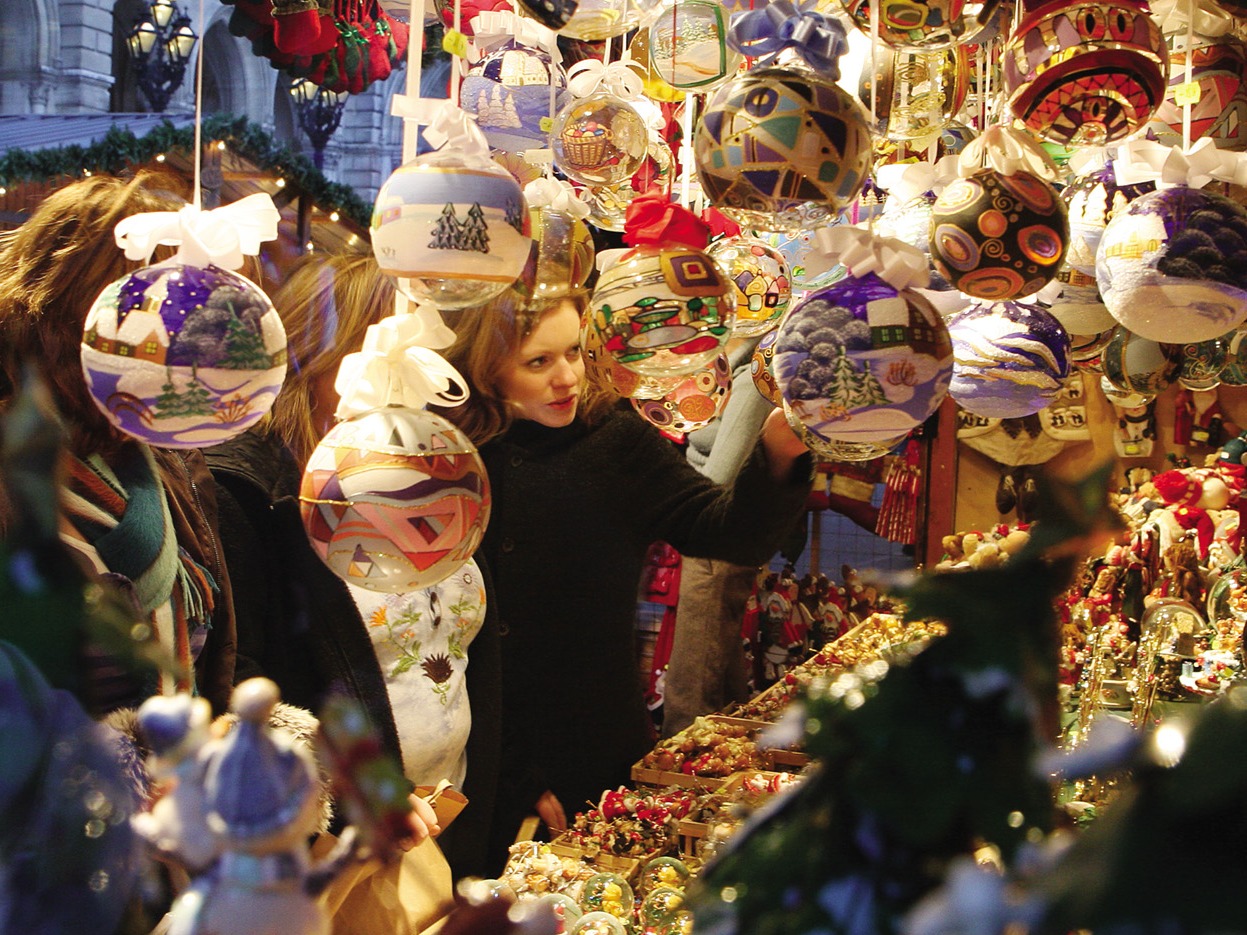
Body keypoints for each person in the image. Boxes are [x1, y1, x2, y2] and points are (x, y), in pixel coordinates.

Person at [433, 287, 813, 870]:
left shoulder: (614, 437)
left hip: (594, 740)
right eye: (539, 362)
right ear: (487, 367)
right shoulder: (450, 451)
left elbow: (728, 531)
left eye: (576, 354)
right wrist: (512, 769)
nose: (567, 378)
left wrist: (780, 452)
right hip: (474, 754)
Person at [204, 251, 493, 879]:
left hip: (445, 814)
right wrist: (360, 790)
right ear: (329, 364)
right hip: (331, 844)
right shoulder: (253, 491)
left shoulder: (427, 468)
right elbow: (244, 675)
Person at [0, 172, 236, 716]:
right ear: (78, 312)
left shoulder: (166, 457)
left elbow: (219, 657)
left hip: (181, 783)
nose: (183, 340)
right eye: (161, 316)